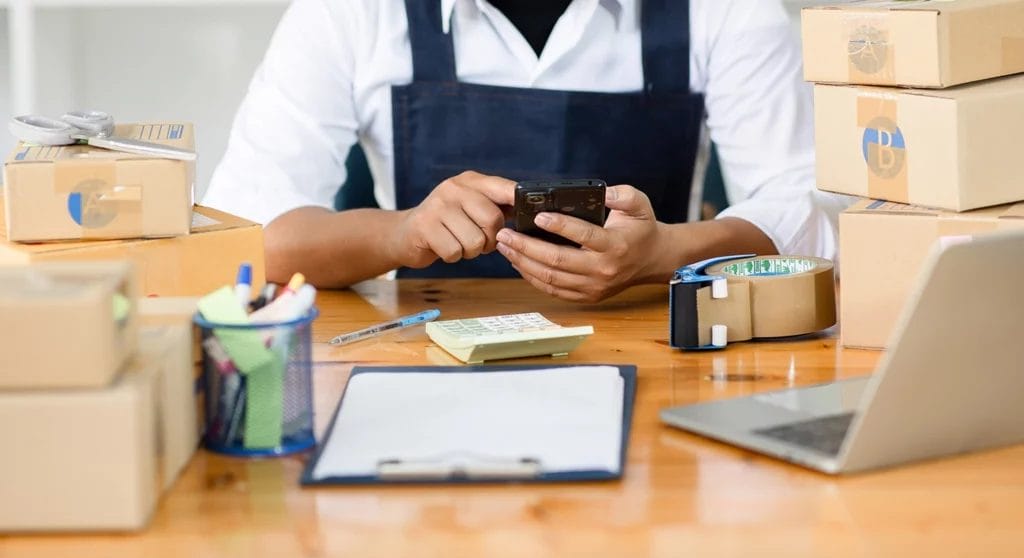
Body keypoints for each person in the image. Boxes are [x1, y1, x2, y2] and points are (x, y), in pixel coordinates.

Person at [206, 0, 846, 303]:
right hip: (419, 359)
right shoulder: (347, 15)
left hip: (659, 354)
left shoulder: (730, 14)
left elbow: (813, 219)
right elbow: (242, 235)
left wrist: (667, 253)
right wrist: (402, 233)